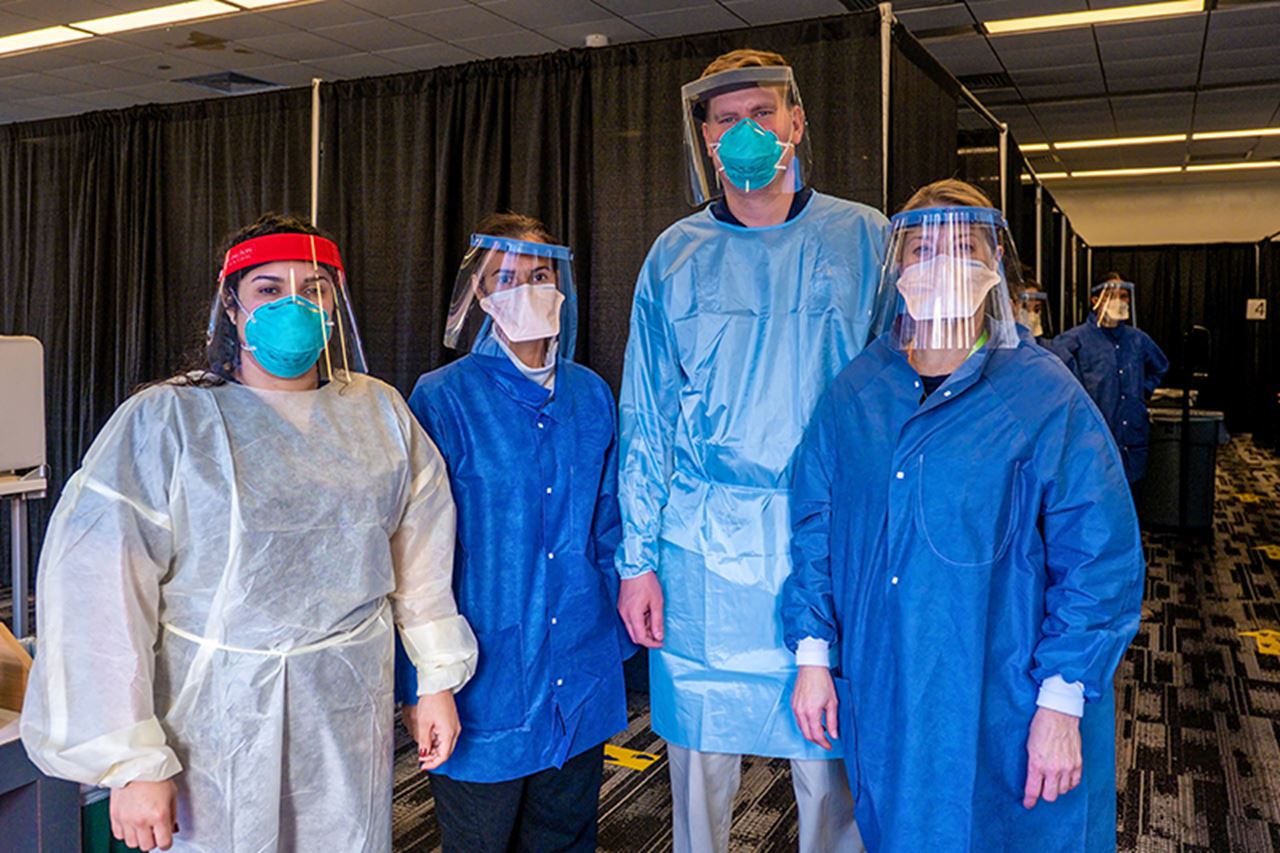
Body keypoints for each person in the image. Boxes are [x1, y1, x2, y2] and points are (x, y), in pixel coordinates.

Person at [20, 214, 477, 853]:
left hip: (345, 706)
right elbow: (99, 592)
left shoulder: (378, 414)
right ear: (231, 308)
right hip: (213, 721)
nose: (294, 304)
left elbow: (422, 559)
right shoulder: (168, 422)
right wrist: (130, 761)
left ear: (335, 308)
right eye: (269, 289)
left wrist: (436, 679)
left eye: (314, 289)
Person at [782, 179, 1145, 853]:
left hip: (1005, 695)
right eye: (922, 249)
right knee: (902, 827)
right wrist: (811, 655)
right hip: (889, 686)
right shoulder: (858, 393)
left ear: (993, 266)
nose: (940, 266)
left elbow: (1099, 556)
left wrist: (1062, 700)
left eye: (962, 250)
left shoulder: (1042, 395)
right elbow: (814, 527)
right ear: (897, 267)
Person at [615, 48, 888, 853]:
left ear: (796, 121)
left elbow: (898, 402)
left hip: (825, 533)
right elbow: (648, 418)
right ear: (705, 138)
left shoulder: (863, 240)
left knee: (828, 757)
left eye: (762, 113)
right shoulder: (675, 255)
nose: (745, 132)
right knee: (700, 751)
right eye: (727, 119)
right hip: (704, 540)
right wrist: (637, 558)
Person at [393, 213, 632, 853]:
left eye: (540, 274)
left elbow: (608, 526)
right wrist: (419, 682)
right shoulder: (443, 398)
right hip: (484, 678)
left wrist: (609, 639)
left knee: (567, 836)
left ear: (562, 286)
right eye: (506, 277)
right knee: (481, 840)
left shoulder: (590, 395)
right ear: (479, 294)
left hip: (579, 668)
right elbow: (411, 554)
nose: (526, 288)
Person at [1052, 275, 1170, 483]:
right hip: (1096, 437)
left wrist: (1143, 390)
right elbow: (1055, 370)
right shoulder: (1076, 339)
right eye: (1113, 295)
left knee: (1132, 493)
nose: (1120, 301)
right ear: (1095, 300)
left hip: (1132, 437)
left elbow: (1160, 366)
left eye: (1124, 296)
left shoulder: (1137, 339)